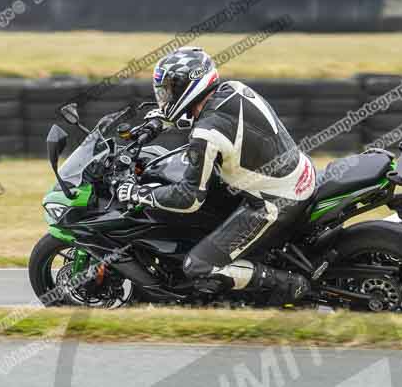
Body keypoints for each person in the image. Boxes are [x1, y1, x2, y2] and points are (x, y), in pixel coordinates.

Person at [116, 46, 316, 306]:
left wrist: (138, 193)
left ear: (188, 87)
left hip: (275, 200)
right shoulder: (232, 90)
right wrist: (160, 121)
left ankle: (290, 285)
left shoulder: (207, 133)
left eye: (168, 90)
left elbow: (189, 198)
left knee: (198, 265)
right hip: (295, 173)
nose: (164, 96)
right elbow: (208, 120)